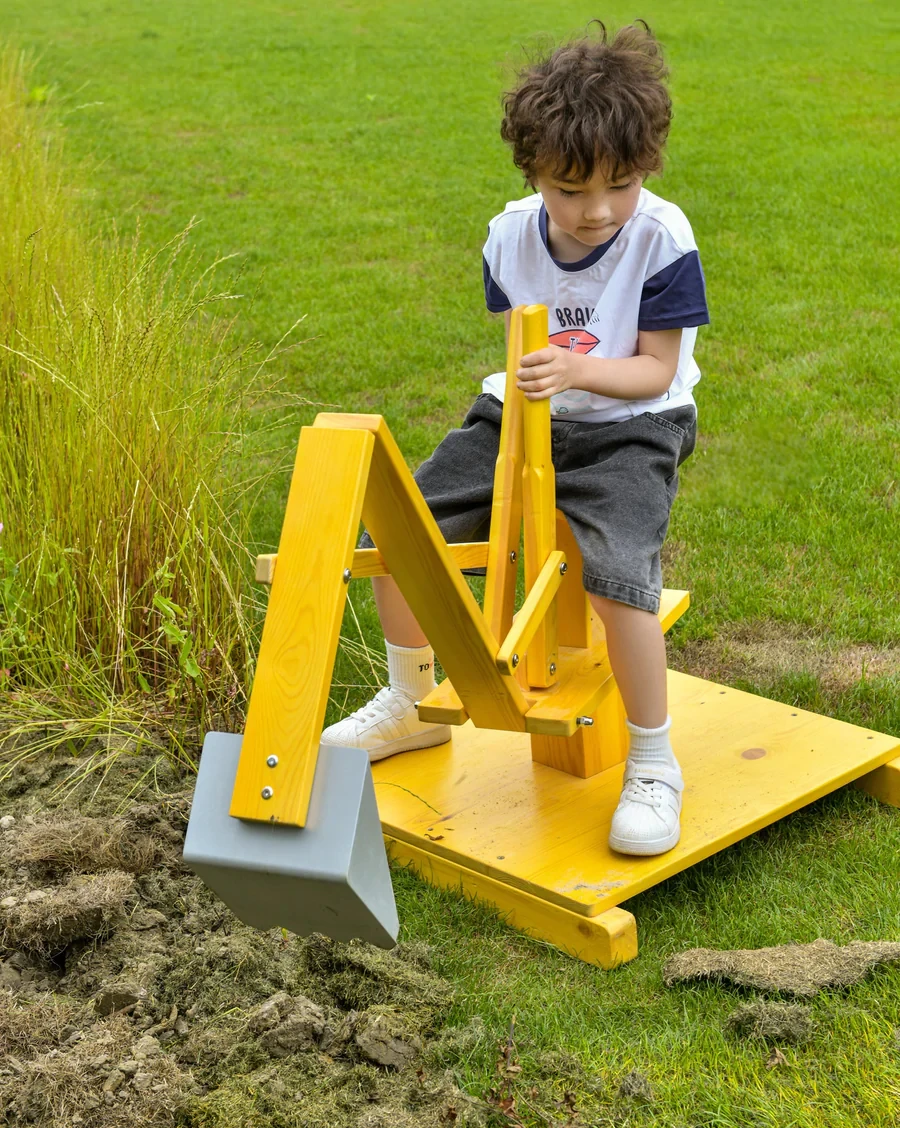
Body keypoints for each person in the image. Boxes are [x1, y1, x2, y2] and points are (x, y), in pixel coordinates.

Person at [321, 22, 709, 857]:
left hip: (634, 423)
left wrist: (575, 377)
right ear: (532, 172)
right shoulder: (506, 238)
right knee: (401, 531)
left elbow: (654, 372)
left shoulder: (661, 239)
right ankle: (409, 702)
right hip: (524, 412)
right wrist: (544, 395)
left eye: (621, 185)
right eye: (571, 190)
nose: (598, 210)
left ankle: (653, 761)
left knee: (616, 574)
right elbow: (517, 349)